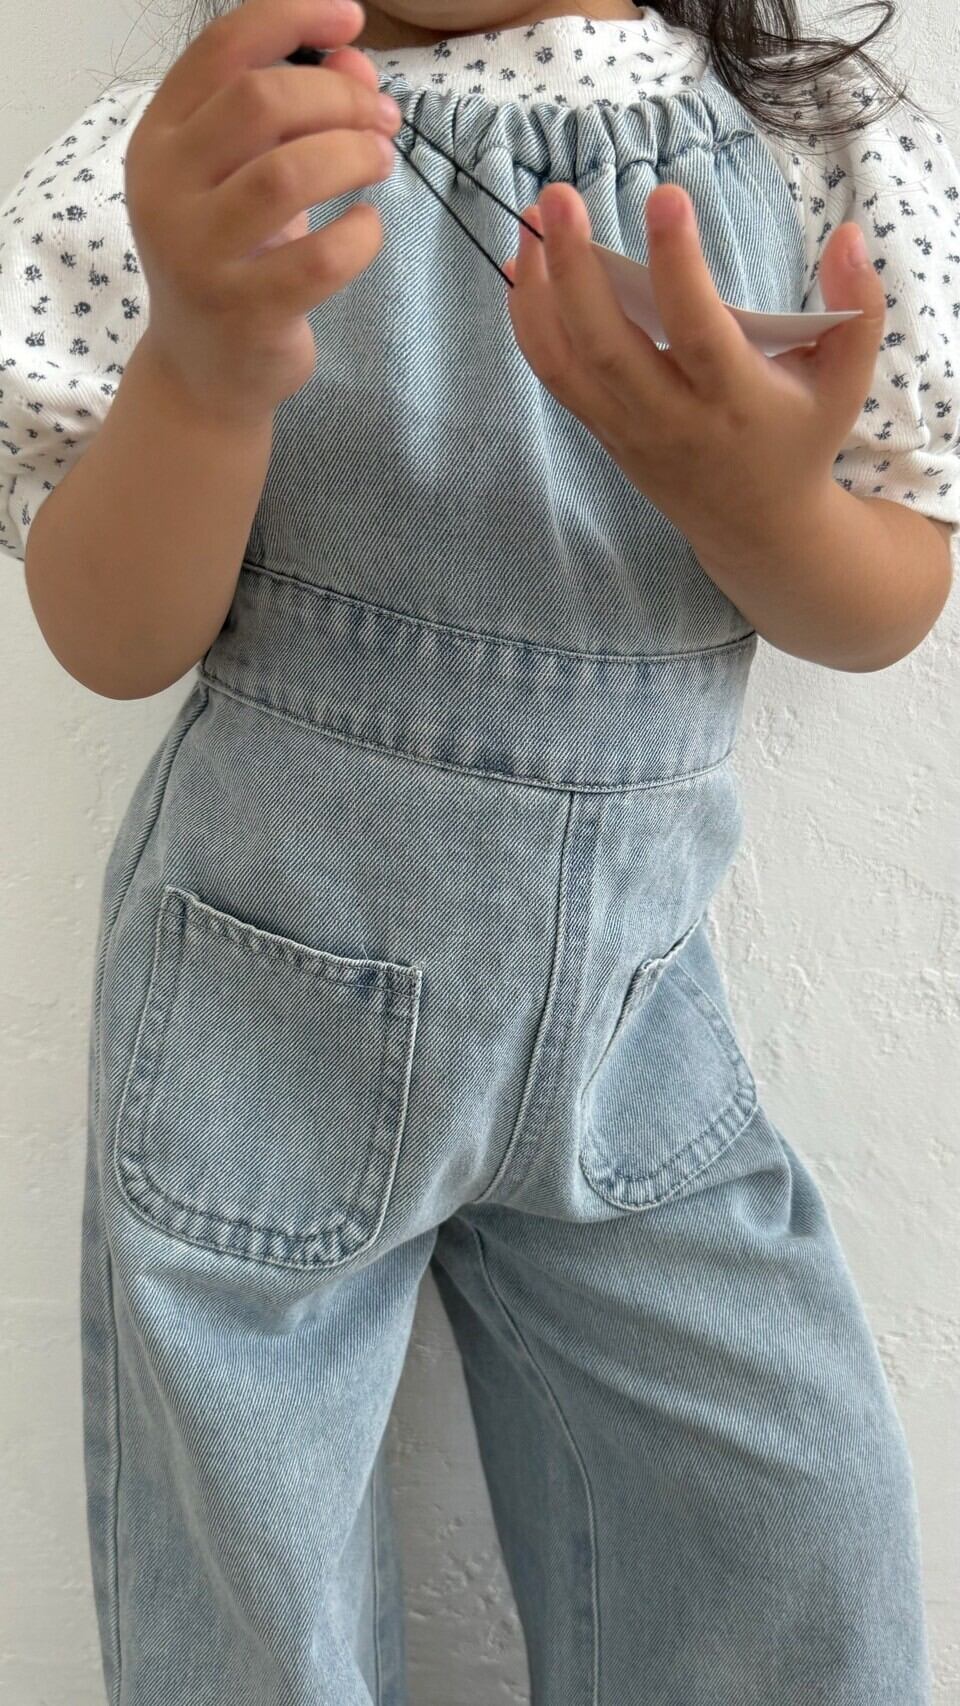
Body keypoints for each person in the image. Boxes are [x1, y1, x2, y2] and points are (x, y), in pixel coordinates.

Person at [1, 0, 955, 1700]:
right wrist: (201, 369)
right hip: (263, 1010)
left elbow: (883, 603)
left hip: (634, 1034)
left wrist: (767, 507)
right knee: (250, 1604)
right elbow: (113, 634)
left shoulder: (813, 151)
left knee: (788, 1532)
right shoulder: (224, 161)